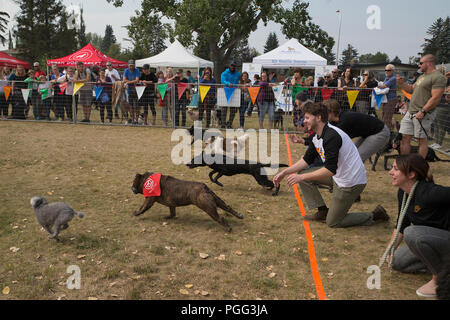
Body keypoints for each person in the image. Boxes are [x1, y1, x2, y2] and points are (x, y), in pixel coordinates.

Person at [273, 102, 389, 227]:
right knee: (303, 174)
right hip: (339, 176)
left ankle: (375, 215)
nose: (304, 121)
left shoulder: (332, 136)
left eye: (307, 117)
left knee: (333, 222)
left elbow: (330, 170)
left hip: (351, 182)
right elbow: (306, 160)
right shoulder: (317, 136)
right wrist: (284, 172)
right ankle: (322, 211)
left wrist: (301, 177)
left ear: (318, 118)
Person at [379, 154, 450, 298]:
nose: (390, 172)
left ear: (411, 174)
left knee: (413, 234)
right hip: (433, 242)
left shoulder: (430, 193)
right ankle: (444, 264)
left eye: (395, 169)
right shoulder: (403, 193)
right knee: (396, 261)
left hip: (444, 238)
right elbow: (401, 223)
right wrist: (390, 249)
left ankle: (439, 279)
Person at [397, 54, 446, 158]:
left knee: (421, 140)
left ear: (429, 63)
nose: (419, 66)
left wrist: (423, 111)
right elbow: (411, 89)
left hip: (423, 114)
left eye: (421, 63)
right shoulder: (422, 77)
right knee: (404, 137)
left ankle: (419, 166)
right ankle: (404, 163)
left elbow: (436, 97)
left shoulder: (438, 77)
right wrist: (402, 83)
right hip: (411, 112)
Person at [324, 99, 390, 163]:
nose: (322, 116)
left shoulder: (344, 121)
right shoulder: (335, 121)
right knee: (352, 154)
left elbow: (334, 139)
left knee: (357, 159)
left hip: (380, 132)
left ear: (331, 112)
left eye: (324, 113)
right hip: (368, 133)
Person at [430, 70, 449, 150]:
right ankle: (436, 142)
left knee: (441, 126)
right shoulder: (440, 81)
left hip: (443, 106)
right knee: (436, 124)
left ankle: (439, 143)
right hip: (437, 105)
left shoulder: (445, 81)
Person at [220, 62, 241, 128]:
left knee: (233, 110)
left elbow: (243, 79)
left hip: (234, 93)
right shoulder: (224, 73)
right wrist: (228, 83)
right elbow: (222, 80)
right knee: (224, 109)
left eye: (234, 66)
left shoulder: (238, 74)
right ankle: (223, 124)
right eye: (231, 66)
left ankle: (229, 124)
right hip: (225, 92)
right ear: (229, 66)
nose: (233, 67)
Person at [378, 64, 397, 130]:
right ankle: (389, 131)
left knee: (386, 118)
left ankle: (387, 134)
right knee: (384, 116)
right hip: (386, 100)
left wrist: (378, 85)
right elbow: (382, 85)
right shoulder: (387, 78)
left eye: (388, 70)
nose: (386, 71)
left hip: (391, 100)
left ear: (392, 71)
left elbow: (383, 86)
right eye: (385, 70)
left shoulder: (393, 78)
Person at [123, 60, 141, 125]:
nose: (131, 67)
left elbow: (137, 80)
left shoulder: (137, 70)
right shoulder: (126, 70)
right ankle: (133, 120)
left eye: (132, 65)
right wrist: (130, 82)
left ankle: (136, 120)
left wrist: (128, 82)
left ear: (134, 65)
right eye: (130, 65)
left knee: (137, 106)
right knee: (131, 106)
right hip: (129, 90)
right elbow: (124, 80)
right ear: (128, 65)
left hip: (136, 90)